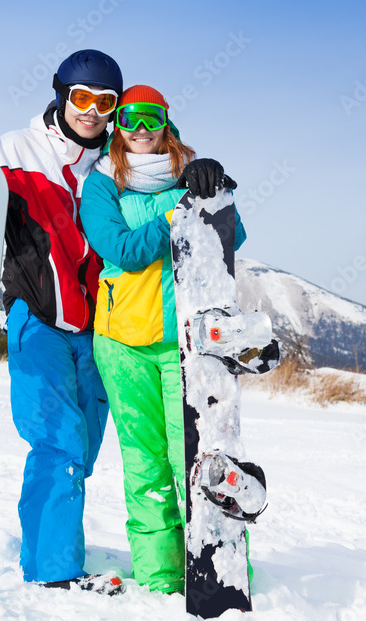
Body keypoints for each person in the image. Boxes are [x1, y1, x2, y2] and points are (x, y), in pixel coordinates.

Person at [0, 49, 127, 594]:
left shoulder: (115, 165)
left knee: (82, 448)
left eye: (104, 102)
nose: (91, 111)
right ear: (62, 93)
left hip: (100, 331)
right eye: (81, 98)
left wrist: (196, 171)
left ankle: (51, 543)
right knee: (58, 441)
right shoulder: (16, 151)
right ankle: (53, 571)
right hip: (37, 318)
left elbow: (156, 147)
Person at [79, 85, 246, 594]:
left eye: (151, 118)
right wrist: (179, 213)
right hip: (122, 343)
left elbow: (231, 239)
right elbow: (122, 250)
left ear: (167, 124)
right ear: (117, 127)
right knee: (145, 465)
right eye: (129, 119)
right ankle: (160, 577)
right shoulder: (102, 184)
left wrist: (215, 194)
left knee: (194, 459)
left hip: (188, 347)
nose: (140, 129)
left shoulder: (193, 179)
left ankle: (217, 571)